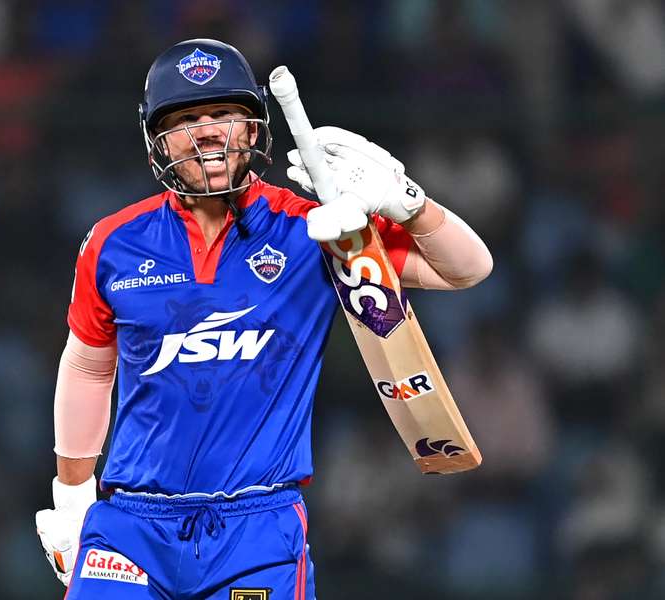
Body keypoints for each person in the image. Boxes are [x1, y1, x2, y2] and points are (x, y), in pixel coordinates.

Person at [35, 38, 492, 599]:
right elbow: (87, 367)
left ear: (254, 131)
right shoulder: (113, 243)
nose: (206, 131)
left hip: (257, 528)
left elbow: (467, 269)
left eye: (225, 114)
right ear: (157, 139)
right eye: (185, 118)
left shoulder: (315, 229)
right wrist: (73, 494)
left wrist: (408, 201)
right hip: (130, 528)